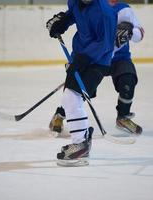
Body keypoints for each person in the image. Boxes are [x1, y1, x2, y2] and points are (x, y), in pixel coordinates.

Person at [49, 0, 144, 136]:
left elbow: (140, 33)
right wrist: (62, 22)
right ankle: (60, 114)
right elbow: (74, 14)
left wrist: (129, 33)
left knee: (127, 80)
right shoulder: (89, 5)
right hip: (91, 56)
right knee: (78, 92)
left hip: (118, 57)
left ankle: (123, 116)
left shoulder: (123, 10)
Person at [46, 0, 117, 165]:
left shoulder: (104, 12)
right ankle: (82, 141)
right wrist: (62, 22)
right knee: (68, 99)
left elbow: (105, 44)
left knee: (71, 98)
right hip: (79, 57)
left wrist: (84, 59)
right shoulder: (75, 2)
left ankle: (80, 145)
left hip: (98, 61)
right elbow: (74, 14)